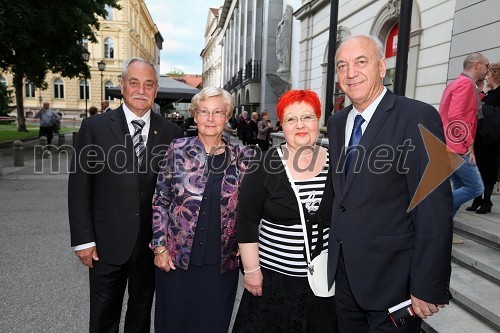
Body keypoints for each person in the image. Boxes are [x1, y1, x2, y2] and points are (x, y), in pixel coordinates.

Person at [327, 35, 453, 333]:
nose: (350, 73)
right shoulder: (336, 123)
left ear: (382, 66)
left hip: (394, 281)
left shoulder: (419, 116)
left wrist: (428, 284)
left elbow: (434, 207)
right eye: (342, 65)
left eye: (361, 61)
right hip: (345, 278)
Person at [68, 57, 182, 333]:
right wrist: (83, 240)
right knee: (104, 315)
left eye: (148, 84)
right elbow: (79, 187)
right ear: (122, 85)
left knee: (140, 315)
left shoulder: (171, 132)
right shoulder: (93, 128)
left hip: (151, 244)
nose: (141, 90)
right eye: (134, 83)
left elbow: (175, 189)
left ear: (155, 90)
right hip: (106, 242)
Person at [150, 87, 254, 333]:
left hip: (220, 266)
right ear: (194, 115)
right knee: (173, 325)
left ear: (227, 116)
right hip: (176, 260)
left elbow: (250, 210)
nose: (210, 118)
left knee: (212, 325)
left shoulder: (242, 156)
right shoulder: (177, 149)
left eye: (218, 112)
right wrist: (160, 246)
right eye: (204, 112)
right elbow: (160, 199)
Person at [233, 90, 337, 332]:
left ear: (318, 121)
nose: (300, 125)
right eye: (291, 119)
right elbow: (247, 220)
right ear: (282, 125)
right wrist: (251, 271)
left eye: (307, 117)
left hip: (322, 283)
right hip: (273, 283)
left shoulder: (337, 164)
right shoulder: (264, 164)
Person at [439, 52, 489, 242]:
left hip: (450, 144)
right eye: (486, 65)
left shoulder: (459, 82)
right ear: (477, 65)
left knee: (460, 186)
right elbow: (455, 116)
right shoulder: (466, 84)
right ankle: (438, 214)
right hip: (457, 146)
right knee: (476, 187)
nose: (487, 69)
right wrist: (469, 143)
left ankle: (443, 232)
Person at [466, 62, 500, 214]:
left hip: (492, 140)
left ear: (496, 75)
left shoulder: (498, 94)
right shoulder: (492, 93)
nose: (486, 77)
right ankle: (478, 199)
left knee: (488, 169)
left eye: (489, 74)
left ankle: (486, 201)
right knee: (479, 167)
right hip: (482, 137)